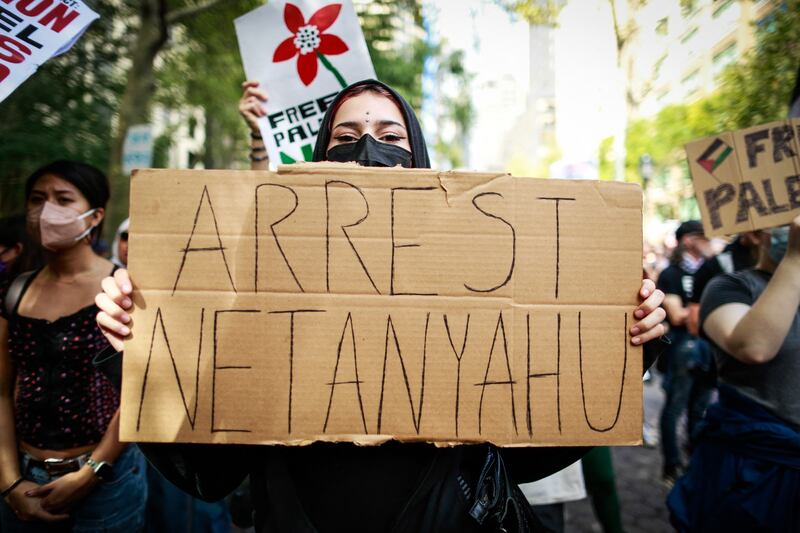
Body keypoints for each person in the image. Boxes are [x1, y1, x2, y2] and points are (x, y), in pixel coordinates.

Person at [94, 79, 667, 533]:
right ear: (320, 154)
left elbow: (531, 445)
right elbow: (212, 467)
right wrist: (142, 346)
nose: (367, 148)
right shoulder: (263, 279)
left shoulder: (476, 277)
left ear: (418, 154)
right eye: (345, 136)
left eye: (391, 137)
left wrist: (624, 343)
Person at [0, 160, 147, 531]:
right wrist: (10, 482)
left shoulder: (122, 289)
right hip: (25, 476)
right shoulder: (14, 291)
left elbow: (141, 390)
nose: (47, 210)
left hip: (107, 479)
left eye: (63, 199)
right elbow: (0, 391)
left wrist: (92, 471)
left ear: (95, 215)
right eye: (38, 199)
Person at [666, 219, 800, 532]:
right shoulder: (731, 286)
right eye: (787, 224)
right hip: (754, 468)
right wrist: (795, 258)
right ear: (756, 234)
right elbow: (753, 347)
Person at [656, 220, 714, 485]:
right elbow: (678, 316)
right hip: (682, 349)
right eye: (704, 237)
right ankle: (672, 465)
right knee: (675, 407)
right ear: (689, 240)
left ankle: (695, 463)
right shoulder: (671, 274)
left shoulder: (711, 271)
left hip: (706, 349)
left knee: (700, 408)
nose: (710, 242)